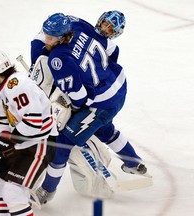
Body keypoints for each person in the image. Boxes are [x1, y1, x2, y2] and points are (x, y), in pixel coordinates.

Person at [32, 13, 147, 205]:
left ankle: (47, 191)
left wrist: (71, 110)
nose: (47, 40)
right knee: (104, 129)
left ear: (61, 37)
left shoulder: (58, 59)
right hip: (118, 85)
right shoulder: (76, 26)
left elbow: (79, 97)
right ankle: (133, 162)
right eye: (46, 35)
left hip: (103, 102)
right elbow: (111, 48)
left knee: (62, 143)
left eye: (51, 37)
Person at [0, 50, 57, 216]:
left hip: (41, 144)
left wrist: (8, 141)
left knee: (13, 192)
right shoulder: (0, 90)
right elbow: (3, 121)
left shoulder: (18, 86)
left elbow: (34, 123)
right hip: (23, 143)